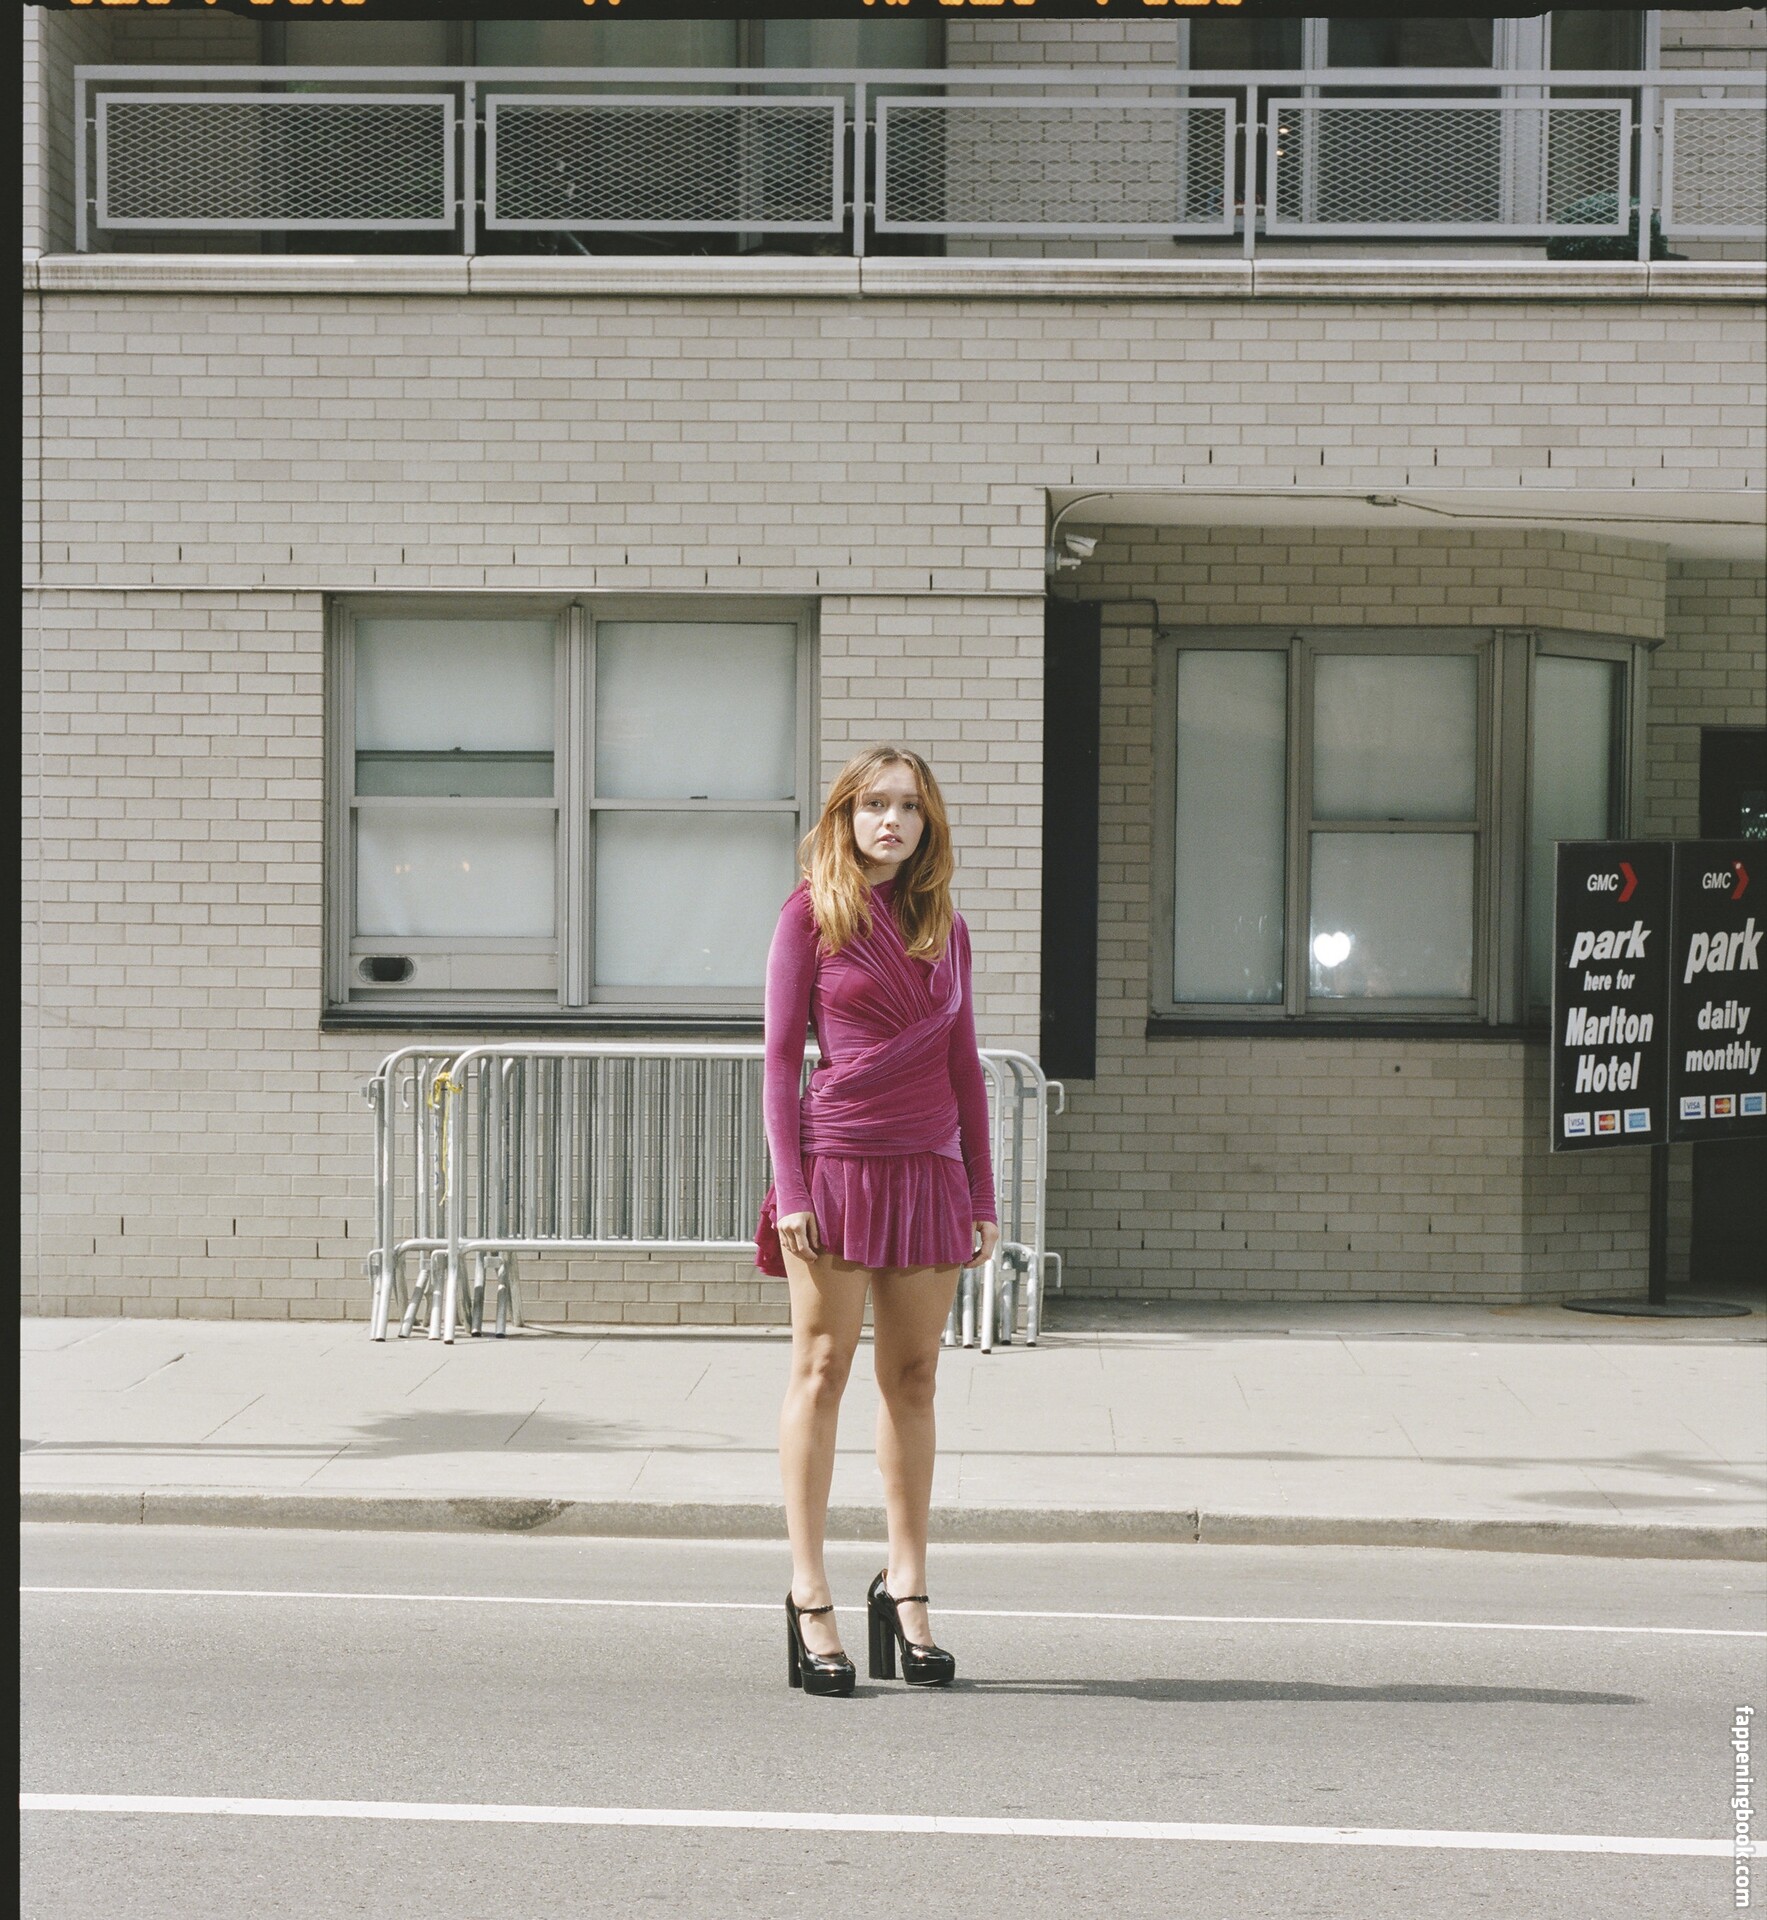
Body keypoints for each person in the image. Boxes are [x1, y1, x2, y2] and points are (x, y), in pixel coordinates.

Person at [754, 745, 999, 1697]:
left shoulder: (945, 926)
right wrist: (791, 1191)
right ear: (844, 818)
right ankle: (807, 1592)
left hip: (928, 1166)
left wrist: (981, 1195)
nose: (889, 821)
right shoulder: (808, 915)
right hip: (839, 1166)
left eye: (908, 807)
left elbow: (965, 1067)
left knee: (914, 1378)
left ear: (928, 824)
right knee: (821, 1370)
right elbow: (781, 1062)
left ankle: (906, 1586)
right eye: (872, 805)